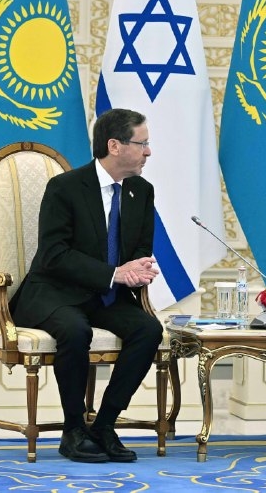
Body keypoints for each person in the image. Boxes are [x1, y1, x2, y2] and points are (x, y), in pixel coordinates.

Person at [9, 108, 163, 463]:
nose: (148, 151)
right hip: (54, 292)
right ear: (115, 146)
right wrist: (114, 274)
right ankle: (74, 430)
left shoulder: (142, 191)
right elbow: (54, 255)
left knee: (148, 329)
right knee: (76, 330)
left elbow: (140, 247)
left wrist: (137, 268)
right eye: (142, 143)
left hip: (104, 297)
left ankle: (104, 426)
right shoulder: (65, 188)